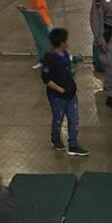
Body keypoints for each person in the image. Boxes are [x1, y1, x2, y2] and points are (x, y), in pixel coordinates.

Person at [41, 28, 89, 156]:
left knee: (74, 119)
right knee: (58, 118)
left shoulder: (66, 54)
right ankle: (55, 139)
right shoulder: (49, 58)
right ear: (61, 42)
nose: (68, 42)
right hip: (58, 97)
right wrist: (60, 90)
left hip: (71, 94)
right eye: (66, 40)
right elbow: (46, 79)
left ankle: (73, 145)